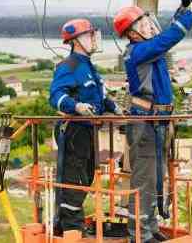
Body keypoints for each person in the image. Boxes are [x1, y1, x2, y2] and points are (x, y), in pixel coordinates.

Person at [113, 0, 192, 243]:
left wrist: (182, 10)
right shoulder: (137, 52)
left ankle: (149, 229)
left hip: (155, 123)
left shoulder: (147, 49)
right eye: (142, 23)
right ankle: (139, 235)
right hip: (145, 123)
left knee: (154, 179)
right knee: (145, 180)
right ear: (132, 32)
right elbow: (168, 38)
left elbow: (162, 36)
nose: (149, 26)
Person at [49, 18, 122, 233]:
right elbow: (56, 96)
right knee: (74, 177)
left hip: (88, 129)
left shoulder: (89, 67)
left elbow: (99, 96)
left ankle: (71, 224)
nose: (94, 39)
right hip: (73, 129)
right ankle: (70, 226)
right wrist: (76, 106)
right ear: (76, 40)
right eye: (90, 35)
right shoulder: (69, 66)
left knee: (87, 174)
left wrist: (114, 107)